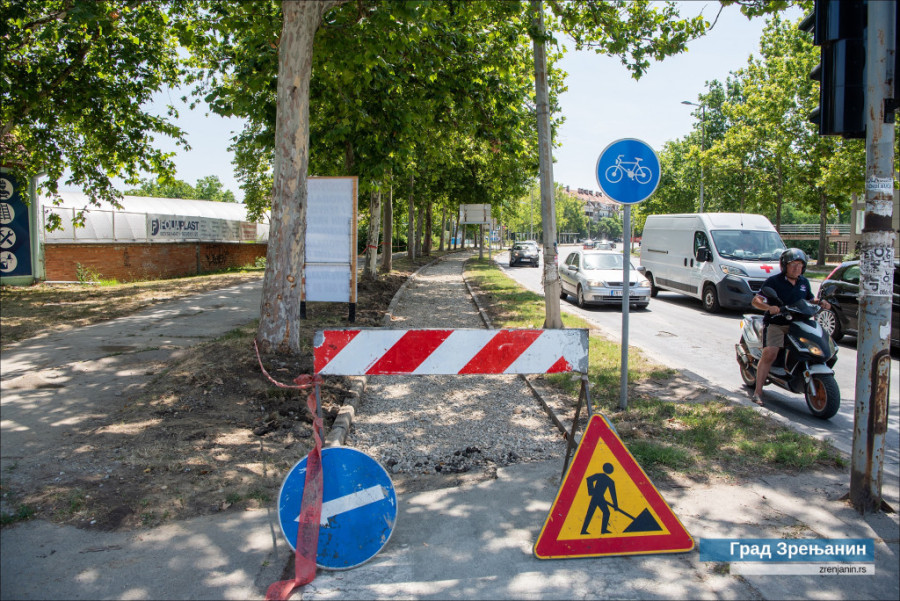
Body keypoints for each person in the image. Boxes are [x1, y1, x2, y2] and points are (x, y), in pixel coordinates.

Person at [750, 248, 831, 406]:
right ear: (784, 266)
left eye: (800, 265)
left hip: (798, 322)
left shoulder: (803, 282)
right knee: (770, 353)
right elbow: (756, 300)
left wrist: (820, 302)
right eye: (793, 264)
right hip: (778, 323)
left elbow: (809, 299)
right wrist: (769, 308)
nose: (797, 268)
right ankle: (758, 392)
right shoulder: (773, 281)